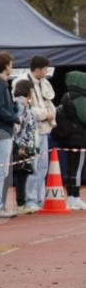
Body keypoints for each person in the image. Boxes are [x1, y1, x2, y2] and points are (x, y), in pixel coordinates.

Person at [0, 51, 19, 218]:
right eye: (11, 64)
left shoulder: (2, 84)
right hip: (2, 132)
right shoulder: (0, 84)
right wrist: (15, 118)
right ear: (6, 66)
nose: (12, 66)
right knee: (0, 170)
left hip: (4, 130)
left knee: (1, 171)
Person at [24, 56, 56, 211]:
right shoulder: (23, 82)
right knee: (32, 166)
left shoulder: (44, 83)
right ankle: (30, 199)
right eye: (44, 69)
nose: (46, 72)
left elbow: (49, 102)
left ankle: (39, 198)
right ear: (37, 69)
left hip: (45, 131)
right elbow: (26, 109)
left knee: (43, 167)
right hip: (32, 132)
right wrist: (46, 114)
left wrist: (51, 115)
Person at [53, 70, 86, 210]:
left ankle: (71, 197)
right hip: (79, 139)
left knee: (70, 169)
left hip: (68, 138)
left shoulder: (65, 96)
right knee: (77, 169)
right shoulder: (80, 99)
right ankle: (75, 197)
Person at [12, 79, 39, 214]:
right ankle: (20, 203)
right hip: (21, 144)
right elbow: (19, 126)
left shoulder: (26, 103)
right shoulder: (20, 103)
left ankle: (21, 204)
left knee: (24, 173)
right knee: (20, 173)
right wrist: (21, 145)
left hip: (27, 143)